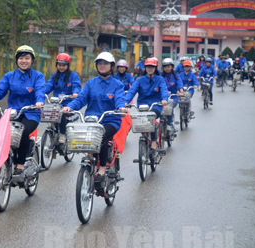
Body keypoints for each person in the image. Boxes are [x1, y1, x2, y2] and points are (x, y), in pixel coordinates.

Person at [62, 52, 127, 188]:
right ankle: (92, 162)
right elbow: (81, 99)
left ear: (111, 66)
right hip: (91, 121)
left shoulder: (117, 85)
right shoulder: (91, 83)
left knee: (101, 136)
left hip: (110, 121)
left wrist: (121, 108)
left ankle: (102, 167)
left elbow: (120, 99)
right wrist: (70, 107)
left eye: (105, 63)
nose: (102, 66)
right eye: (99, 63)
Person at [0, 45, 45, 176]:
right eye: (21, 58)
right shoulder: (9, 76)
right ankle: (10, 159)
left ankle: (20, 164)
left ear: (32, 61)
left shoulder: (38, 76)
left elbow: (40, 90)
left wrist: (39, 101)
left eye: (27, 58)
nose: (24, 61)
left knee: (23, 131)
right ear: (17, 60)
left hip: (31, 113)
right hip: (13, 112)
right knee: (6, 133)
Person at [124, 58, 169, 152]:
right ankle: (145, 137)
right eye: (148, 67)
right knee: (142, 123)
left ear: (155, 68)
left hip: (156, 106)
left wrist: (164, 99)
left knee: (150, 118)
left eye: (152, 67)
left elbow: (164, 90)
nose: (150, 69)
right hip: (142, 106)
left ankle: (153, 141)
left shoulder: (160, 80)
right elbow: (132, 91)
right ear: (145, 67)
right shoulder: (140, 80)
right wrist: (125, 102)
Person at [44, 53, 81, 143]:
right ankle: (54, 132)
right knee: (50, 113)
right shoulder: (54, 76)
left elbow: (76, 86)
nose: (61, 67)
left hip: (68, 103)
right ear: (56, 65)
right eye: (59, 65)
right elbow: (48, 86)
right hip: (56, 103)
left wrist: (75, 93)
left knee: (62, 113)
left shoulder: (73, 76)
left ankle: (63, 134)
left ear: (68, 65)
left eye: (64, 65)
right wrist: (40, 93)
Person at [161, 58, 184, 131]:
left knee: (170, 105)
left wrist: (181, 92)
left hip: (173, 98)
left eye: (168, 66)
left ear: (172, 67)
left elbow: (180, 84)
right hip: (163, 98)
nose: (166, 68)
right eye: (165, 67)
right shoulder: (161, 76)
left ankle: (169, 124)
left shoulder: (176, 76)